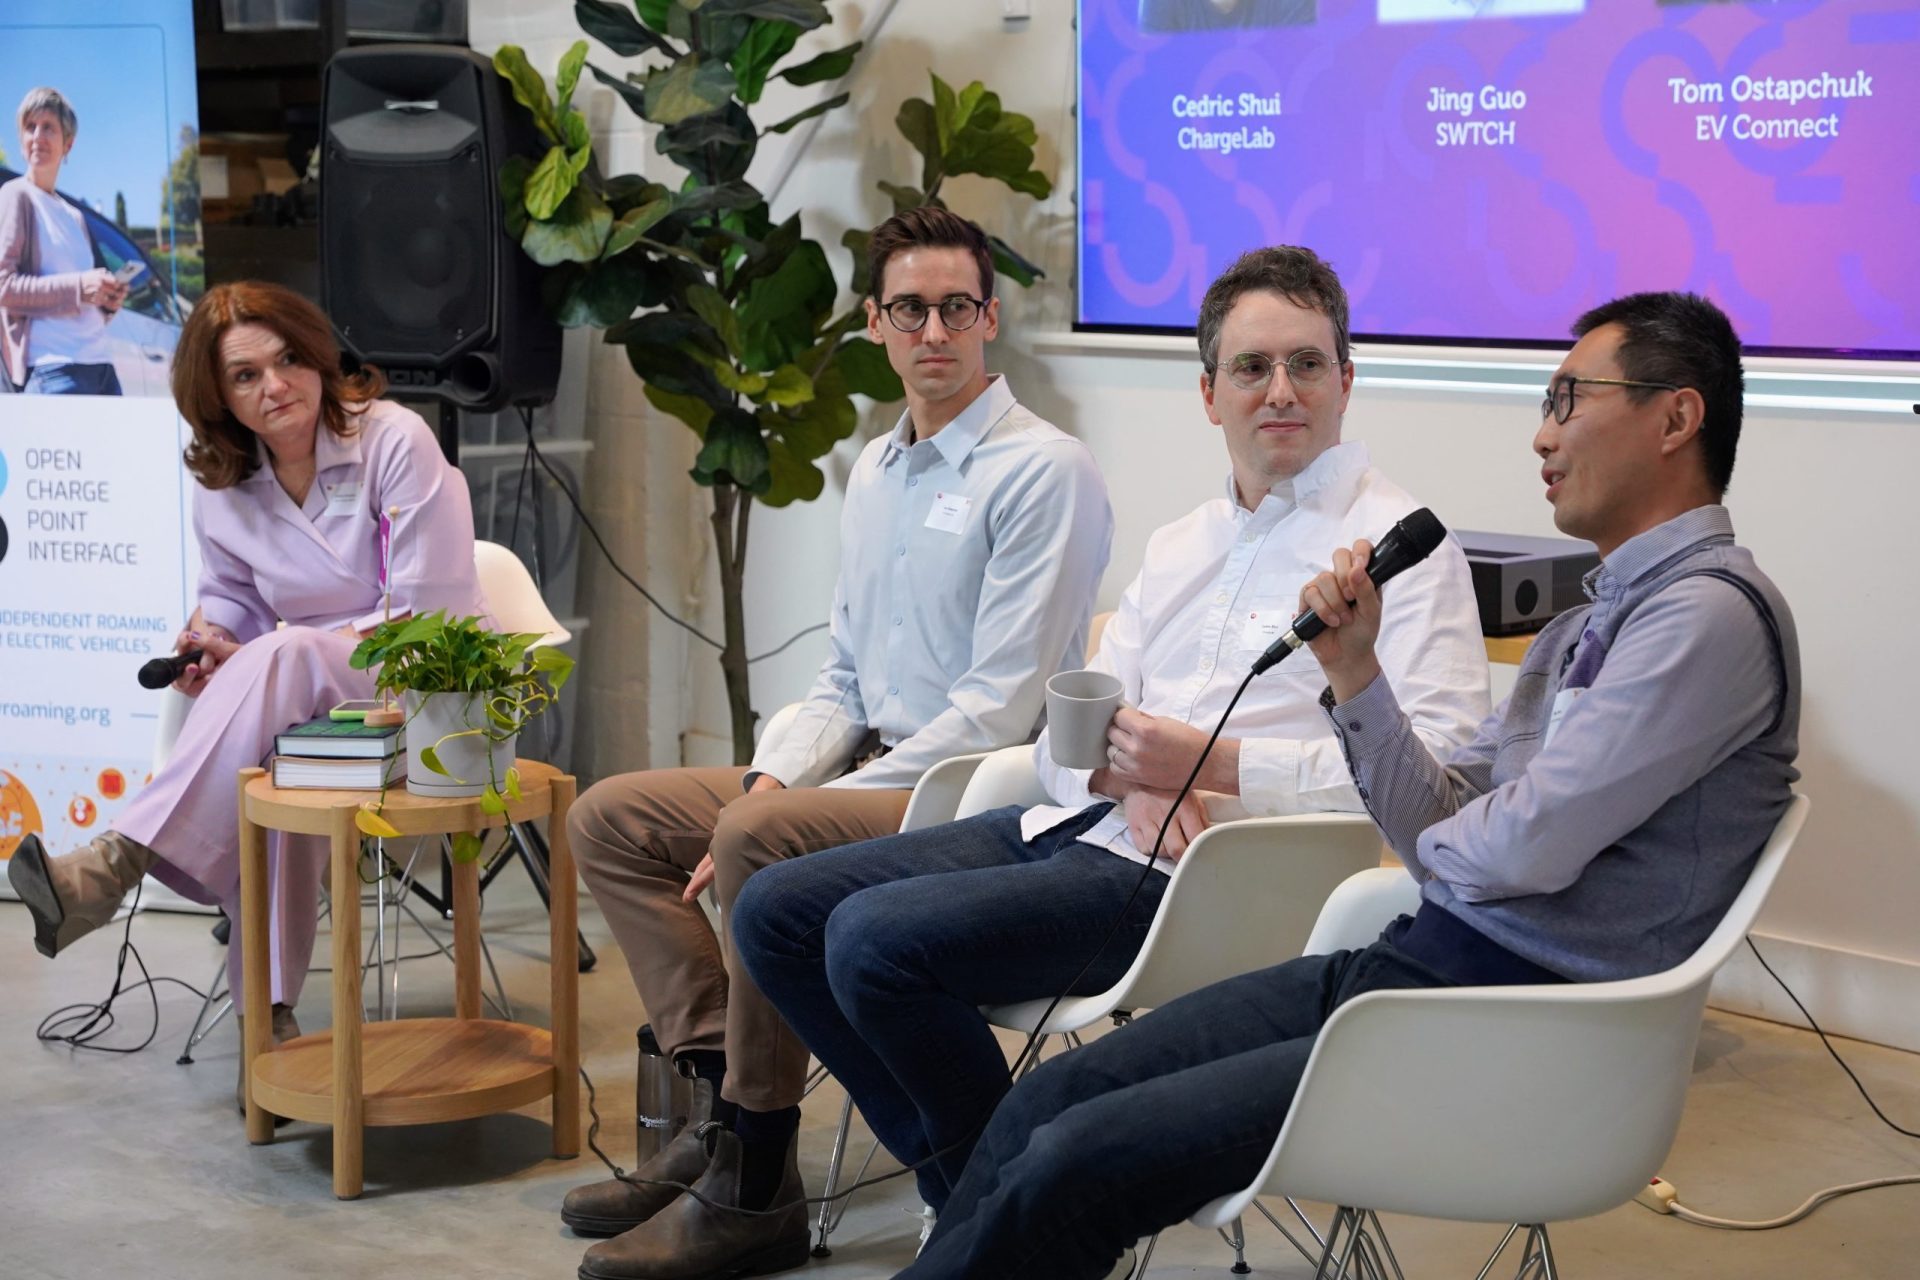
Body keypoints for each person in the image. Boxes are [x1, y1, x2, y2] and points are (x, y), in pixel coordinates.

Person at [893, 290, 1802, 1280]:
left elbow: (1511, 849)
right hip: (1414, 970)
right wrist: (1356, 674)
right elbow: (1445, 824)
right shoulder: (1586, 622)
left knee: (1079, 1158)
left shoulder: (1705, 618)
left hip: (1516, 1027)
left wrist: (1452, 840)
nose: (1542, 435)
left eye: (1568, 400)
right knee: (1044, 1101)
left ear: (1676, 417)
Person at [732, 245, 1489, 1224]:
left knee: (874, 942)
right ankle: (997, 1203)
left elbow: (1438, 787)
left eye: (1306, 363)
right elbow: (1066, 739)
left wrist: (1212, 768)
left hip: (1218, 877)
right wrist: (1124, 778)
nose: (1281, 391)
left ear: (1346, 380)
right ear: (1209, 393)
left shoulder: (1404, 549)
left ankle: (993, 1216)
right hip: (1084, 828)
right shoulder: (1181, 544)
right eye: (1252, 367)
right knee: (777, 911)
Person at [564, 207, 1113, 1279]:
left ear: (990, 317)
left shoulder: (1045, 470)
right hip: (870, 763)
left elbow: (1000, 709)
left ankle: (756, 1172)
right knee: (611, 817)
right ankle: (716, 1108)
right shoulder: (877, 469)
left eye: (956, 307)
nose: (933, 331)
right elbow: (845, 677)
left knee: (756, 836)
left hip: (970, 789)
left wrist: (773, 809)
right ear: (875, 322)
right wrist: (774, 775)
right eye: (909, 309)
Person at [7, 281, 485, 1113]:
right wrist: (210, 642)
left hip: (423, 688)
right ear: (218, 397)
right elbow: (229, 597)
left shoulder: (392, 441)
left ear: (319, 357)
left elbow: (428, 610)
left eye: (289, 359)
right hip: (308, 701)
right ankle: (268, 1023)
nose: (277, 386)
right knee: (274, 763)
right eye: (245, 375)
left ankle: (115, 864)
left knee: (288, 660)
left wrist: (271, 651)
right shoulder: (225, 481)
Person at [0, 88, 127, 395]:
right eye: (30, 127)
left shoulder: (75, 216)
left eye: (48, 127)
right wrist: (80, 287)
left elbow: (79, 296)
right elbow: (4, 286)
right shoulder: (16, 196)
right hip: (52, 369)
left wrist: (107, 300)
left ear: (68, 143)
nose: (37, 136)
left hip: (102, 367)